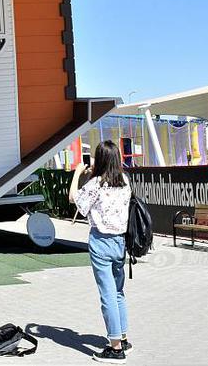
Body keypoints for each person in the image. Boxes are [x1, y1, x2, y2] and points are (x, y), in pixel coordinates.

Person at [69, 141, 133, 363]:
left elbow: (74, 200)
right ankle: (123, 338)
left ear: (101, 159)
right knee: (118, 292)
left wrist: (78, 174)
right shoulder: (125, 181)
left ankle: (115, 348)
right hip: (120, 242)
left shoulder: (96, 183)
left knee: (107, 295)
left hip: (101, 241)